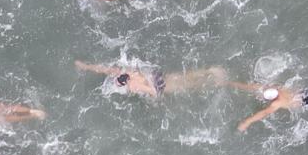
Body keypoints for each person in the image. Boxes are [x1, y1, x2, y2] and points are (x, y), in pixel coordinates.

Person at [75, 61, 228, 99]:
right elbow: (104, 69)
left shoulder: (133, 85)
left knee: (187, 85)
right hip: (156, 75)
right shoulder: (125, 71)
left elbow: (154, 92)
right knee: (184, 77)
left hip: (160, 86)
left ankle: (212, 80)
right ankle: (210, 71)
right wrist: (87, 66)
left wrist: (156, 103)